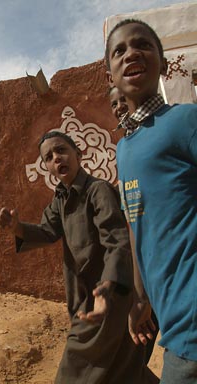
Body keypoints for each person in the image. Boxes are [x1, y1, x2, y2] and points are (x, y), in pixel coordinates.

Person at [0, 131, 158, 384]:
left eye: (61, 150)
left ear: (78, 154)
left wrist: (107, 288)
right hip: (86, 298)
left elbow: (117, 242)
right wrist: (16, 227)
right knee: (124, 371)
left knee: (73, 373)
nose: (56, 158)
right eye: (48, 157)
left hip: (108, 298)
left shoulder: (98, 191)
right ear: (47, 168)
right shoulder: (60, 198)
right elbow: (47, 231)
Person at [105, 18, 197, 384]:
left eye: (142, 44)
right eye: (119, 50)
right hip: (172, 320)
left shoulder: (185, 120)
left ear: (160, 59)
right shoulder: (124, 149)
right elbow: (135, 223)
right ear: (109, 73)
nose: (131, 53)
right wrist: (140, 299)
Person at [109, 85, 159, 365]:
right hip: (147, 263)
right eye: (113, 104)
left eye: (122, 100)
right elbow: (133, 215)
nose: (118, 107)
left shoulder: (165, 130)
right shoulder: (124, 148)